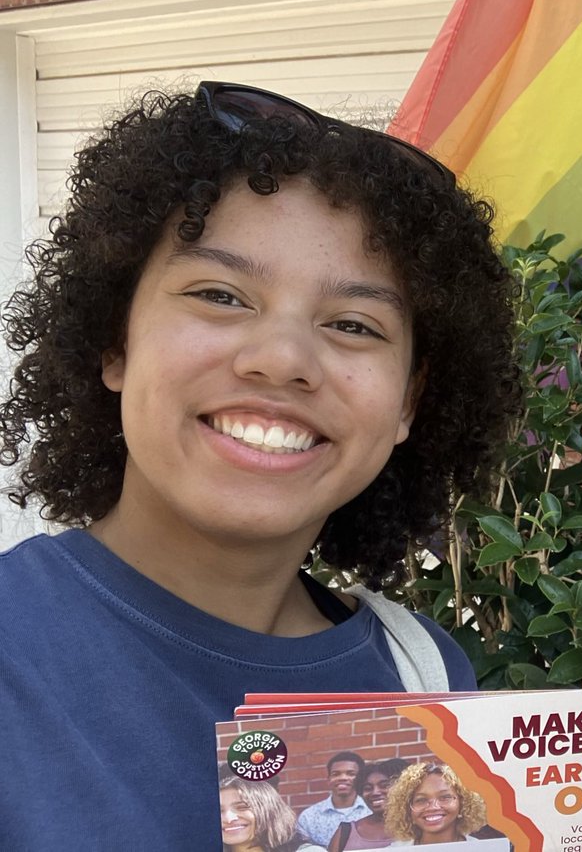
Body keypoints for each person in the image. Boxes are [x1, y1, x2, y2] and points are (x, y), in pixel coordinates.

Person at [0, 83, 521, 848]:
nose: (282, 360)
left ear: (409, 402)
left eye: (352, 324)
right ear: (116, 341)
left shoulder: (424, 676)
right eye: (220, 294)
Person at [383, 762, 488, 845]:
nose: (433, 807)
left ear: (463, 803)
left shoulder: (484, 849)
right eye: (421, 800)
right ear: (407, 810)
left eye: (444, 797)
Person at [328, 758, 410, 851]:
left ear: (403, 788)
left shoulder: (419, 827)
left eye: (384, 785)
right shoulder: (346, 832)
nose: (375, 792)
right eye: (368, 788)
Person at [297, 752, 369, 846]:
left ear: (361, 778)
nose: (343, 778)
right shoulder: (309, 817)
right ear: (329, 779)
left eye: (350, 773)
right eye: (336, 774)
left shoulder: (370, 811)